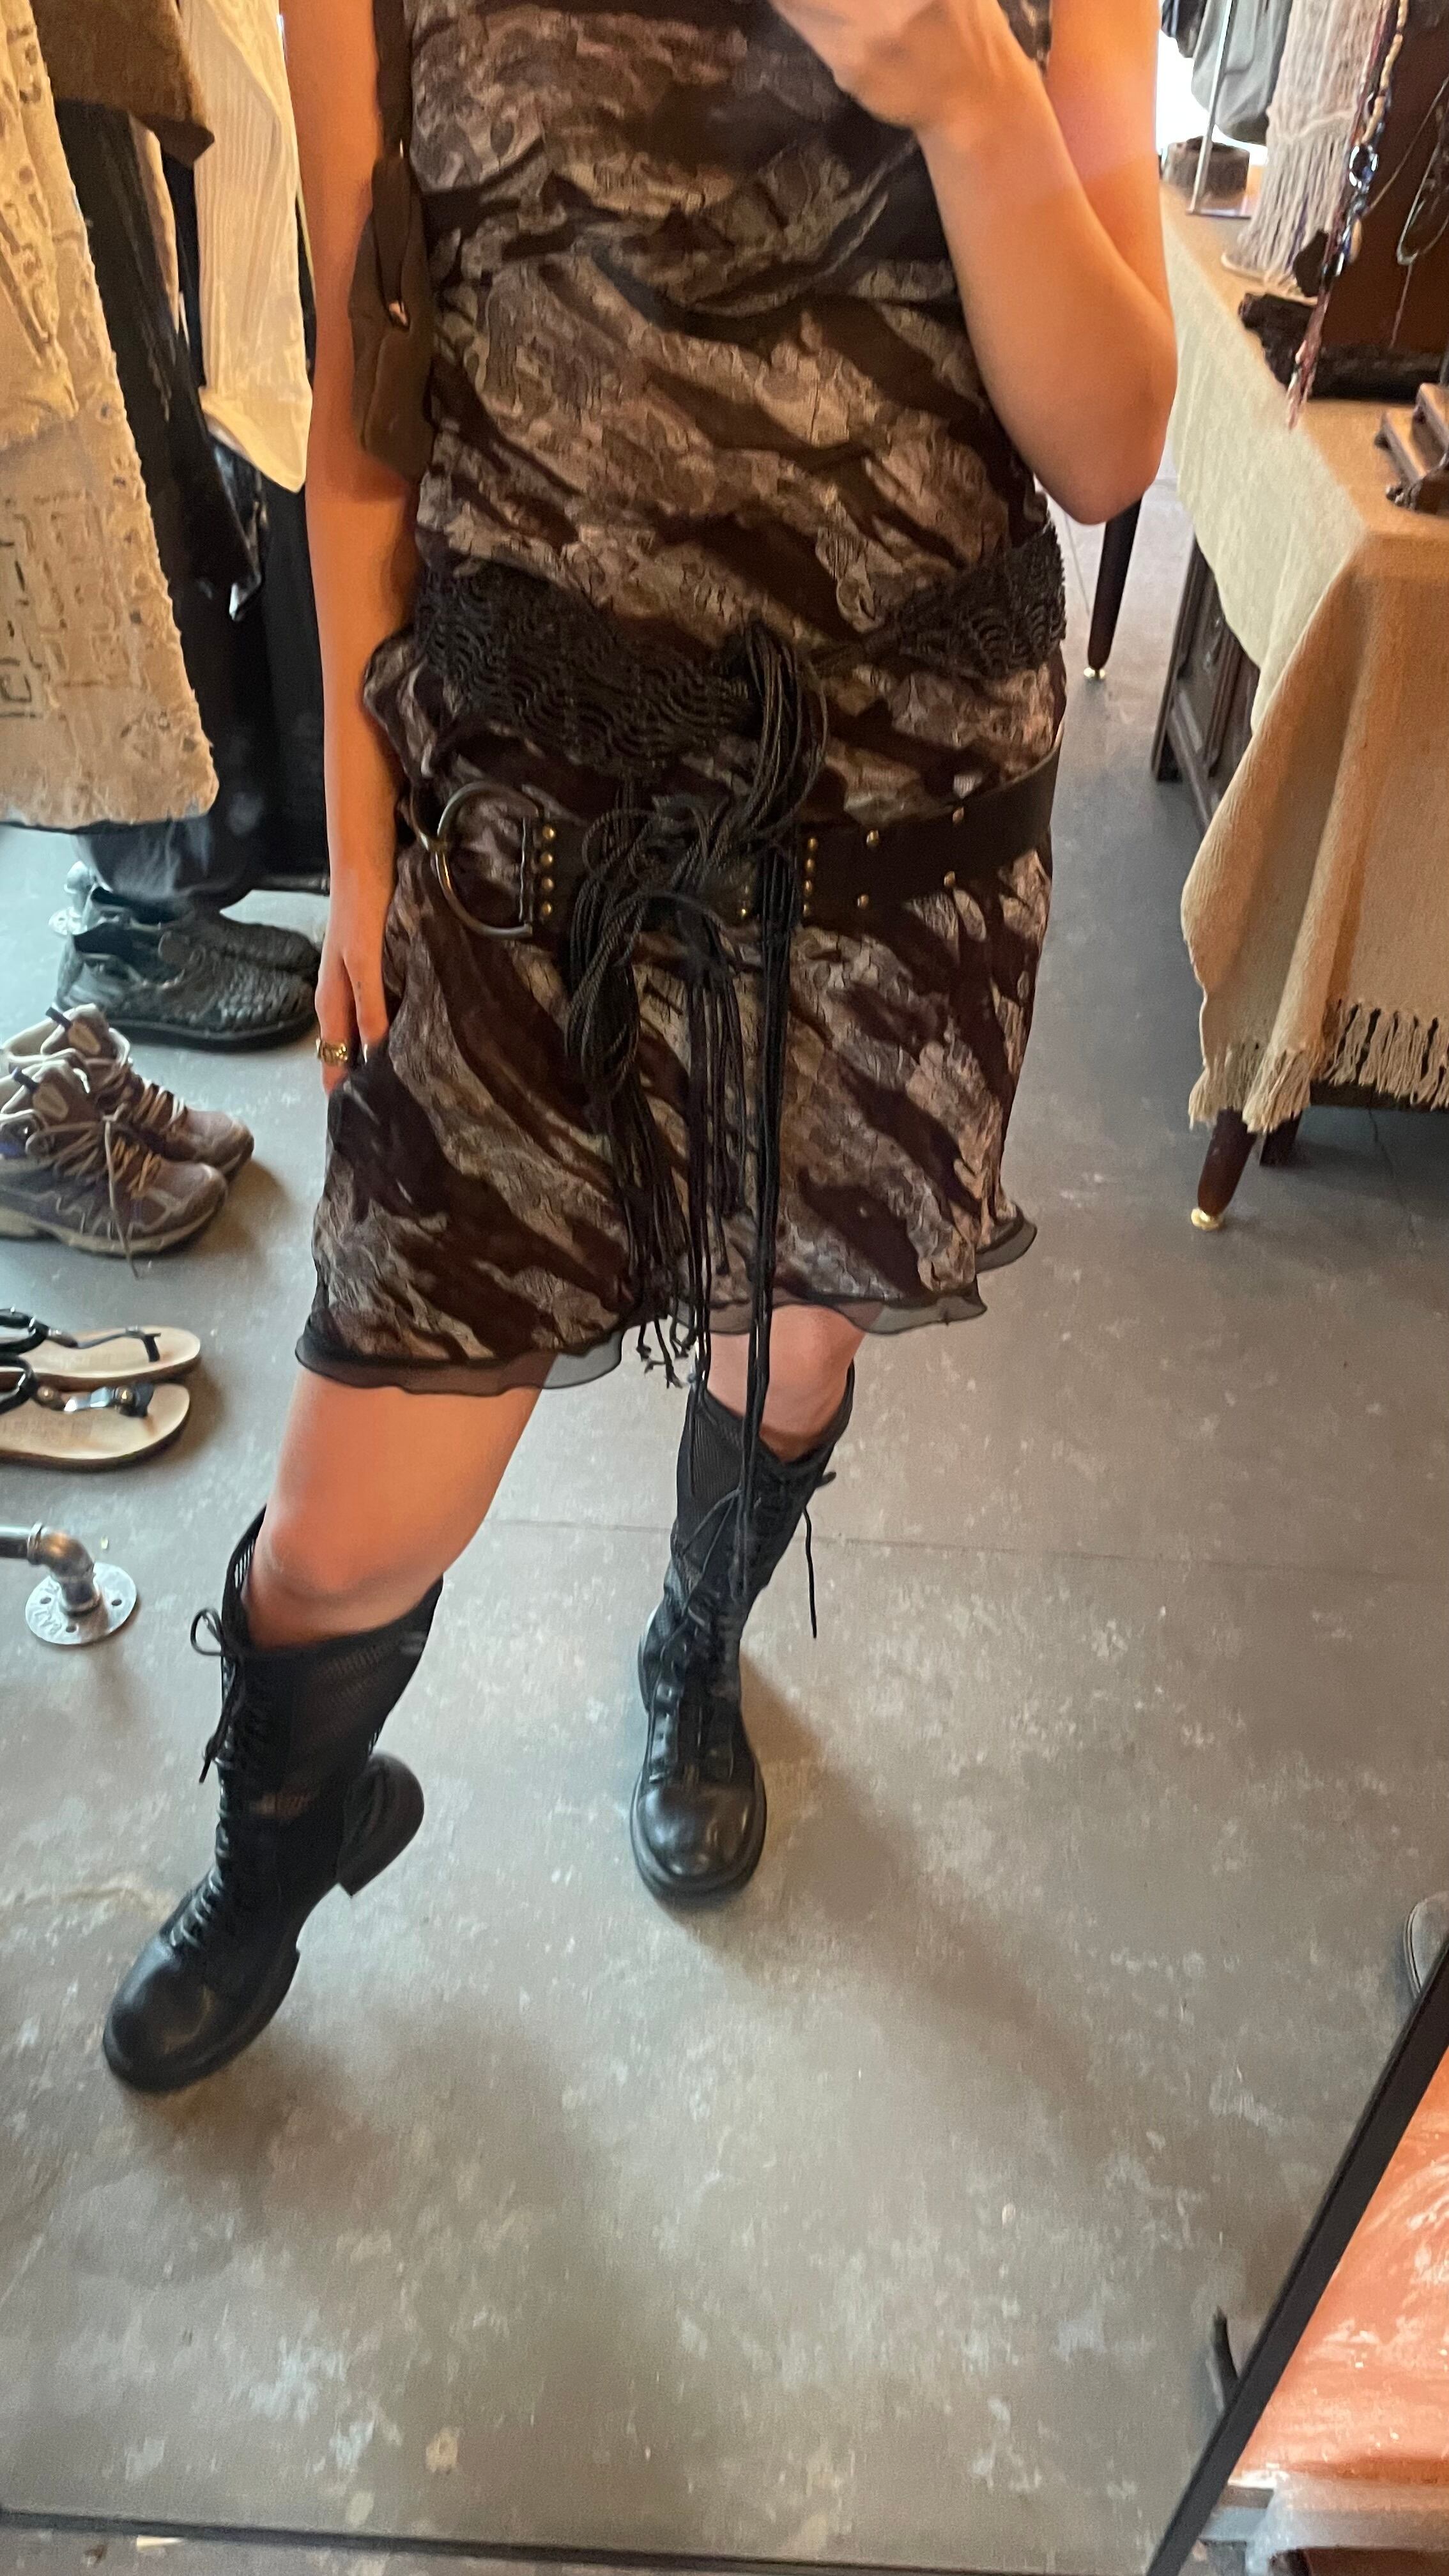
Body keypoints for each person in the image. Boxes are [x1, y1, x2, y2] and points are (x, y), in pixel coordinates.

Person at [103, 0, 1176, 2092]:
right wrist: (362, 855)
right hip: (523, 833)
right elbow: (367, 409)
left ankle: (694, 1649)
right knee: (345, 1520)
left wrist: (967, 87)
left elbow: (1110, 444)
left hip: (884, 853)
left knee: (790, 1349)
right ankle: (276, 1848)